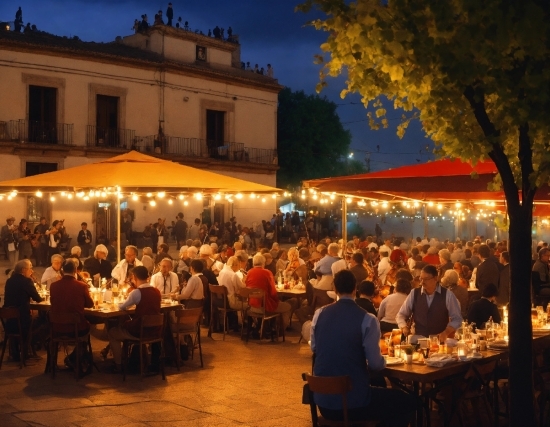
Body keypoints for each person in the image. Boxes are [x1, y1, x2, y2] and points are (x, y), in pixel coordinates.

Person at [311, 269, 415, 426]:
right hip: (353, 401)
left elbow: (314, 347)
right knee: (406, 401)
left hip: (324, 401)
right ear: (355, 289)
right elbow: (375, 364)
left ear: (335, 289)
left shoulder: (319, 314)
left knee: (381, 391)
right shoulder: (367, 319)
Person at [108, 266, 161, 371]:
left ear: (134, 277)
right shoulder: (156, 291)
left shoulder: (137, 292)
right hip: (155, 330)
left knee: (112, 332)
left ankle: (118, 364)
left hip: (140, 332)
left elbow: (122, 307)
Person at [396, 264, 462, 342]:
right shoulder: (414, 293)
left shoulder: (448, 295)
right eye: (421, 279)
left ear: (436, 278)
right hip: (418, 339)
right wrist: (404, 327)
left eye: (426, 279)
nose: (422, 282)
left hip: (438, 340)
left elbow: (457, 319)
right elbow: (401, 315)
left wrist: (446, 332)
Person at [50, 259, 94, 370]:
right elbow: (90, 304)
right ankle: (77, 359)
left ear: (62, 271)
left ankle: (72, 359)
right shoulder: (81, 286)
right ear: (75, 270)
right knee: (87, 326)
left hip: (56, 327)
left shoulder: (53, 286)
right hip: (76, 328)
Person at [3, 259, 42, 361]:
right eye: (30, 268)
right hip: (22, 320)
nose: (32, 271)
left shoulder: (9, 281)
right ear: (24, 270)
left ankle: (16, 353)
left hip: (9, 320)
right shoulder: (26, 281)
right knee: (41, 320)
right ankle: (27, 351)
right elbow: (37, 298)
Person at [246, 254, 291, 329]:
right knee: (288, 306)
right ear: (263, 263)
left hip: (252, 305)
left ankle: (268, 326)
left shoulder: (249, 272)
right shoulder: (267, 273)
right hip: (265, 306)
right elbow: (273, 292)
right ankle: (280, 330)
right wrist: (277, 300)